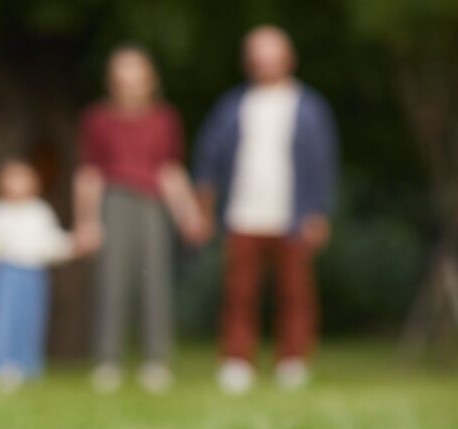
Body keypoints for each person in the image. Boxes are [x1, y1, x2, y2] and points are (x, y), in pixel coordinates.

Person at [194, 26, 338, 394]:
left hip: (293, 216)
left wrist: (318, 212)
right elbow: (209, 161)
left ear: (288, 59)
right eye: (258, 55)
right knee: (240, 293)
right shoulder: (232, 107)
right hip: (243, 214)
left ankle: (292, 361)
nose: (265, 62)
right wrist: (206, 209)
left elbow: (324, 164)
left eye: (272, 55)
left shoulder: (310, 107)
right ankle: (237, 361)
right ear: (248, 62)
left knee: (296, 293)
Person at [74, 46, 206, 394]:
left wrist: (188, 213)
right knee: (110, 282)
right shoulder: (97, 119)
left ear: (150, 82)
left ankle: (156, 362)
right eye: (123, 78)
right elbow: (89, 173)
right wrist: (86, 221)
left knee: (155, 282)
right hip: (113, 202)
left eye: (137, 79)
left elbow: (170, 170)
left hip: (152, 205)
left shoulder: (165, 119)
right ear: (113, 82)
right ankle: (108, 361)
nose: (130, 85)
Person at [0, 160, 83, 392]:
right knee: (4, 317)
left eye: (22, 178)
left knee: (30, 317)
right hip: (5, 273)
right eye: (11, 178)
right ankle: (0, 362)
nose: (17, 184)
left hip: (33, 274)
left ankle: (27, 362)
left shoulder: (40, 212)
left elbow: (51, 243)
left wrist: (75, 244)